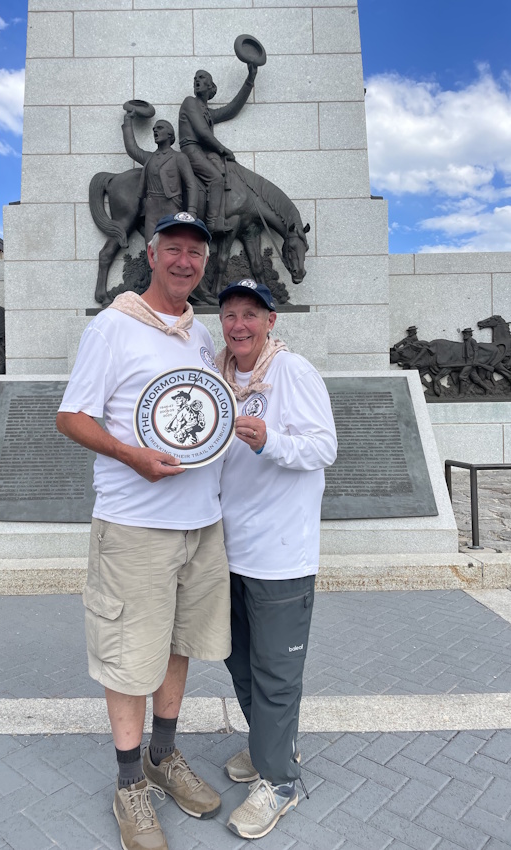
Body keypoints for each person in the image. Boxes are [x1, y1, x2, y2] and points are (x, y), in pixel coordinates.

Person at [56, 211, 230, 850]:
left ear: (204, 263)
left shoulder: (199, 334)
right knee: (131, 658)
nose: (185, 261)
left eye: (195, 253)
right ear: (151, 255)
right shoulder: (113, 326)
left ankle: (163, 755)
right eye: (173, 249)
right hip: (135, 525)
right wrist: (131, 456)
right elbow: (71, 416)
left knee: (176, 646)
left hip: (200, 524)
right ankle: (129, 783)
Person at [215, 279, 337, 840]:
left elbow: (324, 447)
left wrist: (271, 441)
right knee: (238, 662)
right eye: (230, 314)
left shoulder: (293, 372)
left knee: (275, 673)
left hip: (281, 557)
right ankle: (271, 744)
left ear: (271, 322)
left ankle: (280, 780)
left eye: (251, 314)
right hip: (228, 551)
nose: (239, 325)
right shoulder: (218, 379)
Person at [178, 65, 257, 234]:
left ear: (210, 86)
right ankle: (212, 222)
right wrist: (223, 149)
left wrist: (250, 80)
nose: (196, 80)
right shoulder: (190, 102)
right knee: (215, 179)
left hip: (202, 152)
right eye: (195, 78)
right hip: (191, 150)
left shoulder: (207, 112)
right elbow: (202, 132)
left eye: (201, 78)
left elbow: (232, 109)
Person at [122, 112, 199, 244]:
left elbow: (191, 184)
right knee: (150, 247)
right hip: (151, 209)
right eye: (154, 129)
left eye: (160, 128)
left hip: (171, 207)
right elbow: (132, 149)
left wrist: (192, 210)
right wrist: (128, 121)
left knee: (170, 246)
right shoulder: (149, 158)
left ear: (170, 134)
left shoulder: (179, 158)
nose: (155, 131)